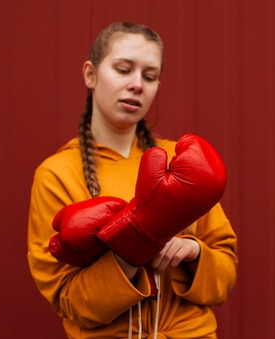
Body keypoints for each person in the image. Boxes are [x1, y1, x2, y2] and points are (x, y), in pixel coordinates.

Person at [27, 21, 238, 339]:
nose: (137, 84)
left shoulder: (180, 162)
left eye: (150, 76)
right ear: (90, 74)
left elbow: (225, 275)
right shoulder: (57, 174)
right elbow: (71, 300)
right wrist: (133, 248)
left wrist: (191, 251)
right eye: (124, 69)